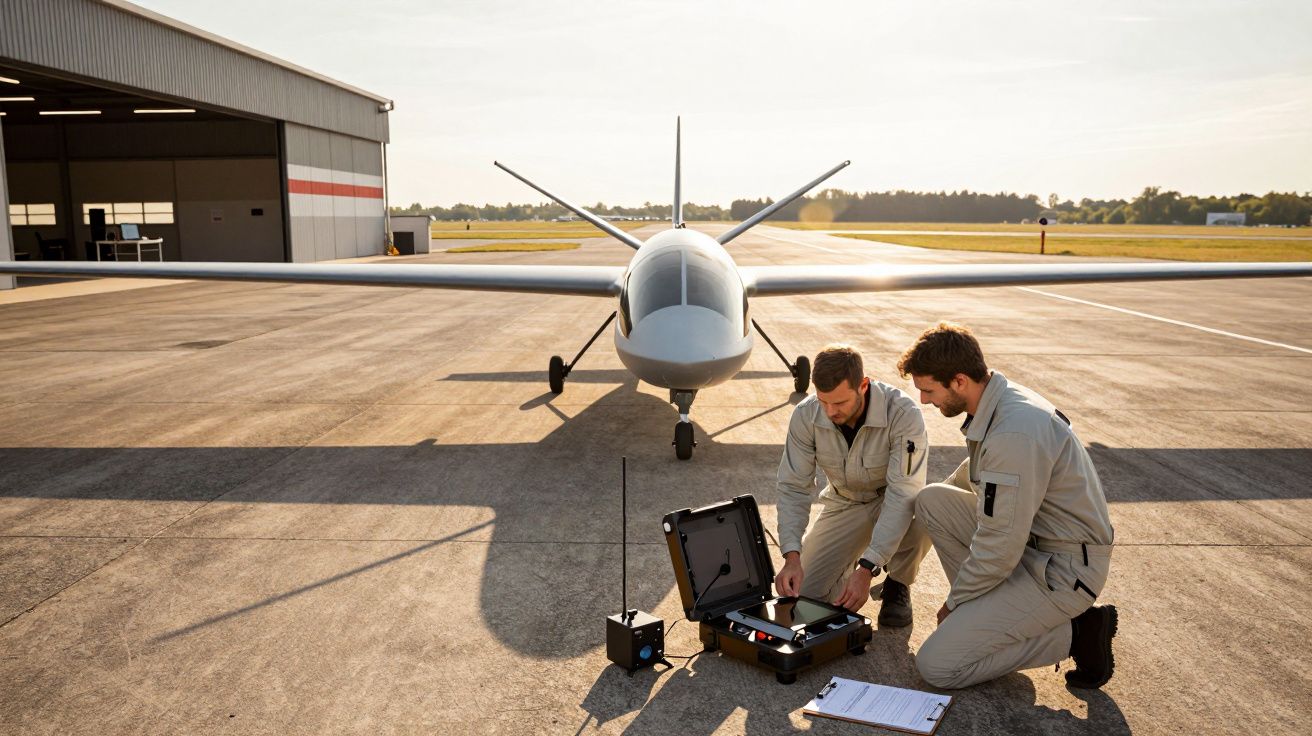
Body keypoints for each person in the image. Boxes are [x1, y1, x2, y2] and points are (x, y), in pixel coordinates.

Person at [897, 322, 1117, 689]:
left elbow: (1000, 544)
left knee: (937, 666)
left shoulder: (1014, 432)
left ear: (960, 381)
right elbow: (971, 480)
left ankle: (1078, 633)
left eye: (929, 390)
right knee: (933, 500)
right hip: (1035, 546)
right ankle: (986, 623)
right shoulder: (998, 401)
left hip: (1064, 571)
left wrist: (956, 603)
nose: (923, 400)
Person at [775, 344, 933, 626]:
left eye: (839, 403)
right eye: (823, 401)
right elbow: (793, 487)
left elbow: (902, 492)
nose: (830, 411)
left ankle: (898, 582)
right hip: (845, 502)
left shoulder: (903, 413)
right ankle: (851, 564)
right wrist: (791, 555)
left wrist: (868, 569)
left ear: (863, 385)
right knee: (803, 600)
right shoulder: (805, 414)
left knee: (927, 504)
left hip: (893, 501)